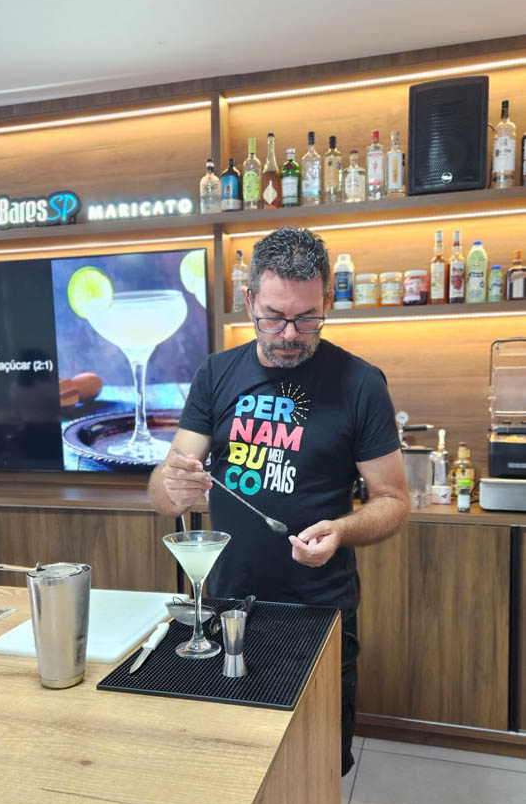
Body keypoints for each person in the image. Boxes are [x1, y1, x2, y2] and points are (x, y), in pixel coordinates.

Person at [148, 227, 410, 775]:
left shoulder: (361, 383)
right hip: (225, 608)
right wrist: (172, 487)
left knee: (314, 771)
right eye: (273, 317)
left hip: (317, 612)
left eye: (307, 318)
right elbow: (164, 491)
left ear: (328, 300)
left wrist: (341, 530)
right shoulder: (216, 374)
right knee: (228, 764)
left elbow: (393, 500)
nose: (289, 334)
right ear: (249, 301)